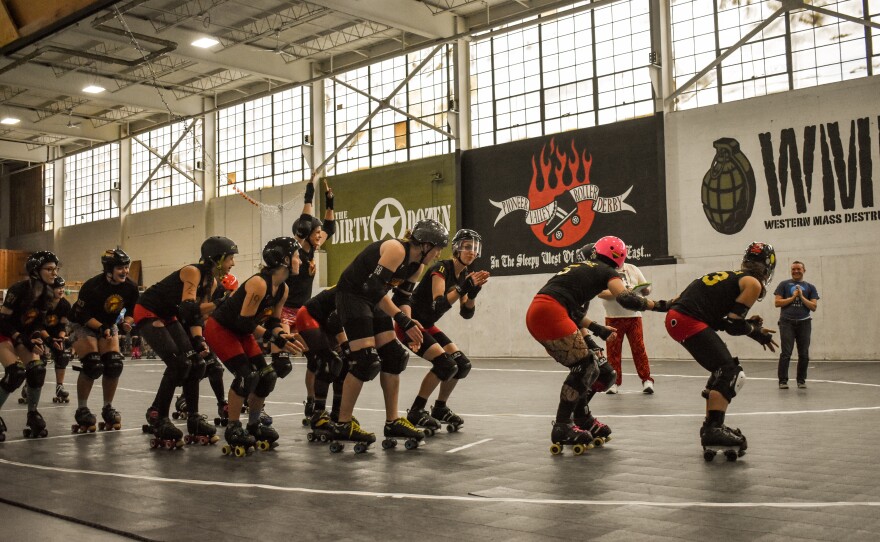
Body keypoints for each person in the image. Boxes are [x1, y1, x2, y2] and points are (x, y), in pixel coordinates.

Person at [526, 237, 668, 454]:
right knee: (585, 366)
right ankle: (562, 425)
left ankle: (582, 416)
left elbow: (573, 311)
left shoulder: (581, 270)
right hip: (549, 312)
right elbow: (627, 299)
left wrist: (596, 331)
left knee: (604, 373)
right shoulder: (605, 271)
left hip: (547, 311)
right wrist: (659, 305)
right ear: (619, 259)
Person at [326, 219, 449, 453]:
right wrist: (402, 320)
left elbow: (403, 299)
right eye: (437, 248)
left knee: (394, 356)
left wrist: (410, 324)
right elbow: (373, 289)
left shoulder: (416, 267)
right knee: (365, 361)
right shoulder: (396, 249)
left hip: (373, 299)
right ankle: (342, 423)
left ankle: (392, 422)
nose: (438, 253)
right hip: (352, 297)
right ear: (424, 245)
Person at [665, 242, 778, 459]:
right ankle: (713, 430)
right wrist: (756, 332)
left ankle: (711, 425)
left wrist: (752, 328)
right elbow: (735, 325)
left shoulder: (730, 276)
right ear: (767, 268)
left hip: (678, 318)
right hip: (688, 319)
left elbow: (727, 322)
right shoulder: (752, 283)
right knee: (730, 372)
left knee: (721, 370)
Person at [204, 237, 305, 455]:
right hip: (221, 328)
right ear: (285, 260)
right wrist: (273, 338)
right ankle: (232, 427)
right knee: (246, 375)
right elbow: (244, 322)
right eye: (297, 256)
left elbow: (273, 322)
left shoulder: (282, 288)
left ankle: (253, 424)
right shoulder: (259, 283)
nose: (301, 261)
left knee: (267, 375)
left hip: (242, 330)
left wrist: (283, 337)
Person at [136, 236, 238, 447]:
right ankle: (160, 419)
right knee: (178, 363)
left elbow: (195, 317)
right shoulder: (193, 271)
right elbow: (188, 308)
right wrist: (219, 303)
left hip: (168, 316)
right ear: (217, 259)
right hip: (148, 310)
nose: (232, 264)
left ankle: (194, 419)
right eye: (229, 259)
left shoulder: (212, 282)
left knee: (198, 363)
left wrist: (199, 339)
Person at [402, 228, 490, 434]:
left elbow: (466, 313)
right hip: (411, 324)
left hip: (428, 325)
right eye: (467, 247)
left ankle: (440, 408)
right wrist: (463, 288)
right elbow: (438, 305)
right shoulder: (441, 268)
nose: (472, 252)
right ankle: (416, 411)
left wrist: (473, 293)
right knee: (444, 364)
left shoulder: (465, 275)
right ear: (457, 248)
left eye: (475, 248)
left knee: (461, 365)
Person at [68, 249, 139, 432]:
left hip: (108, 324)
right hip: (83, 323)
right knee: (92, 364)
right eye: (120, 268)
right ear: (109, 269)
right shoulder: (92, 286)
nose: (125, 271)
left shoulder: (130, 287)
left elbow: (132, 311)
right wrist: (100, 328)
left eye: (126, 267)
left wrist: (127, 323)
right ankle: (82, 409)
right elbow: (81, 314)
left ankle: (108, 407)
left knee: (114, 364)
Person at [285, 180, 335, 422]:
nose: (320, 237)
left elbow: (328, 227)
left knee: (315, 359)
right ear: (305, 235)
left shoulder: (311, 248)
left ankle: (312, 402)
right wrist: (308, 194)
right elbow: (305, 223)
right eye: (316, 234)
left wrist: (328, 201)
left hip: (304, 311)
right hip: (284, 311)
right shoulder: (294, 253)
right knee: (280, 365)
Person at [0, 251, 60, 440]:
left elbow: (37, 324)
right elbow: (3, 320)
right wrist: (22, 338)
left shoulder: (47, 293)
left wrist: (45, 339)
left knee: (36, 370)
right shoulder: (18, 289)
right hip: (4, 332)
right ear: (35, 271)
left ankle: (32, 413)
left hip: (21, 334)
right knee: (15, 373)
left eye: (56, 269)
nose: (54, 273)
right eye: (49, 269)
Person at [598, 261, 654, 394]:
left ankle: (647, 379)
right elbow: (600, 293)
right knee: (613, 351)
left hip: (634, 316)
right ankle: (614, 383)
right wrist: (621, 293)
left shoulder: (633, 268)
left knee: (639, 348)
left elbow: (647, 286)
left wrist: (645, 290)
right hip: (613, 317)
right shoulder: (604, 270)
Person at [774, 261, 819, 389]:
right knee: (786, 353)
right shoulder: (783, 285)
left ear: (804, 270)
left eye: (798, 269)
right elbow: (777, 303)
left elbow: (813, 306)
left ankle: (801, 380)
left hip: (804, 323)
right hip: (786, 322)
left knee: (804, 353)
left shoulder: (810, 287)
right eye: (793, 269)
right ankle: (783, 381)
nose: (796, 271)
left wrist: (801, 296)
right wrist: (793, 298)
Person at [45, 276, 72, 403]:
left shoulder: (65, 305)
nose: (61, 290)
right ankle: (29, 385)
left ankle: (59, 387)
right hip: (40, 333)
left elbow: (62, 325)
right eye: (58, 288)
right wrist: (48, 340)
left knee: (62, 356)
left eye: (62, 287)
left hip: (55, 333)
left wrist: (60, 339)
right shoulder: (42, 303)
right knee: (39, 361)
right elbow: (37, 325)